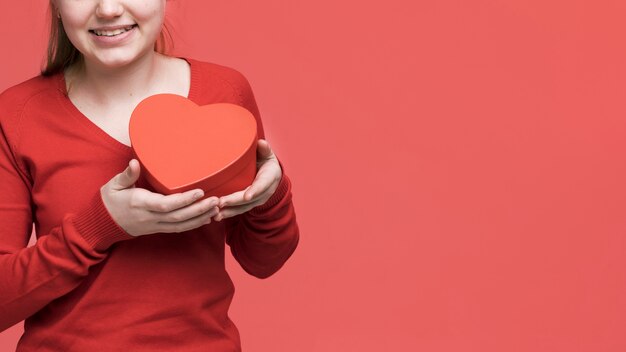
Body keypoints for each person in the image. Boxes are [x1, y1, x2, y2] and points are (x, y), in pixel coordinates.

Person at [0, 0, 299, 350]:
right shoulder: (16, 116)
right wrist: (100, 226)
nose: (109, 9)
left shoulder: (225, 93)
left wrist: (270, 195)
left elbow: (265, 260)